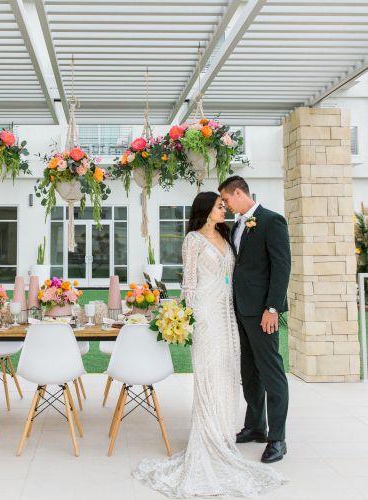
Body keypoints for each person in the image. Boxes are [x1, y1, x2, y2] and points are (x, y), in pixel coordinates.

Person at [133, 191, 284, 498]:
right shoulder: (193, 240)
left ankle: (224, 435)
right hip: (205, 316)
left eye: (224, 204)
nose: (224, 208)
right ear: (206, 210)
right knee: (210, 373)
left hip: (228, 313)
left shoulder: (225, 236)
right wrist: (185, 316)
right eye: (219, 205)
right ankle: (208, 438)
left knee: (229, 375)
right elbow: (188, 282)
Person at [219, 175, 290, 464]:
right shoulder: (237, 224)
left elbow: (281, 267)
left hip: (262, 313)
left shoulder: (272, 221)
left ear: (239, 193)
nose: (224, 205)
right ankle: (256, 426)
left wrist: (272, 308)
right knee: (249, 372)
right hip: (240, 311)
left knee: (271, 372)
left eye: (226, 199)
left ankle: (278, 439)